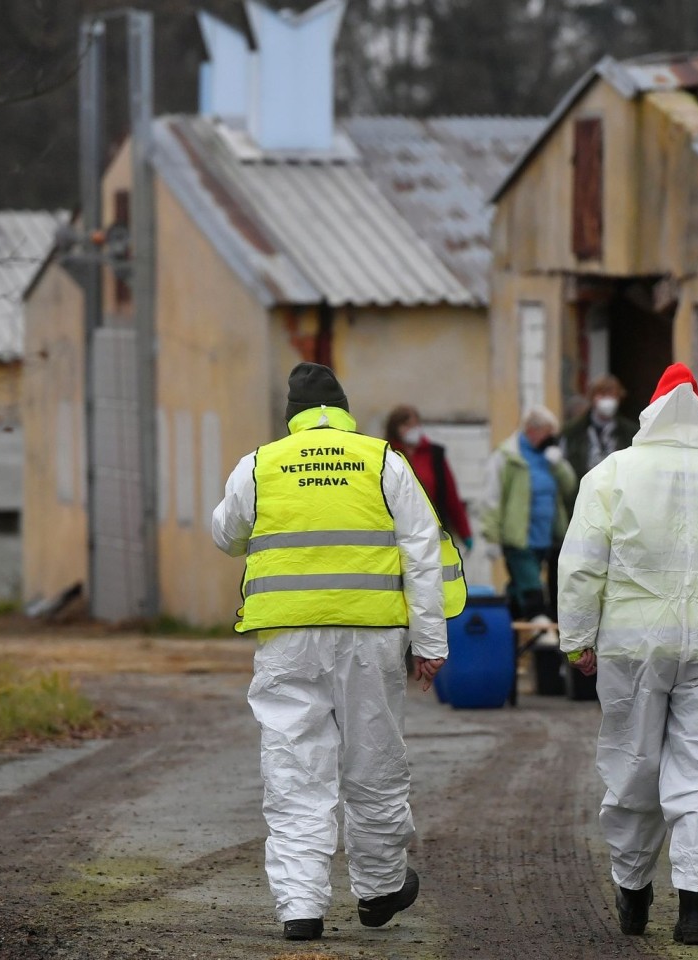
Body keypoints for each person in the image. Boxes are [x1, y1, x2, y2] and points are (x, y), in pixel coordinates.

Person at [211, 362, 466, 942]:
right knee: (374, 763)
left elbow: (226, 535)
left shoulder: (260, 464)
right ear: (344, 412)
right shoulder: (384, 461)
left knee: (295, 768)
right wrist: (429, 643)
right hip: (370, 637)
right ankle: (378, 890)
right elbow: (422, 554)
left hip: (288, 639)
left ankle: (300, 908)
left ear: (292, 418)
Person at [558, 363, 698, 946]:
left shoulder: (610, 476)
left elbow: (580, 564)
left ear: (649, 411)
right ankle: (696, 909)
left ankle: (633, 892)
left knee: (633, 764)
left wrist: (578, 637)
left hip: (632, 643)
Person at [479, 405, 577, 619]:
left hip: (548, 537)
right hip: (519, 539)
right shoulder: (507, 456)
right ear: (532, 430)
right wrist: (491, 537)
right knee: (533, 593)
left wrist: (559, 464)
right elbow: (491, 498)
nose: (552, 438)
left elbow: (570, 487)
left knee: (521, 589)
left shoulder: (549, 457)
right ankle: (543, 649)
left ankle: (510, 630)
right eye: (548, 433)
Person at [385, 405, 474, 550]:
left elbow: (450, 496)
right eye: (407, 425)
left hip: (434, 530)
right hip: (398, 532)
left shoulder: (434, 455)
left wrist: (465, 533)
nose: (413, 429)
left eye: (415, 424)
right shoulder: (387, 454)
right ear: (395, 428)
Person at [563, 374, 639, 480]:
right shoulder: (573, 431)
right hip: (583, 489)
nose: (608, 400)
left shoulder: (630, 432)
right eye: (603, 395)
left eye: (612, 395)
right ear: (592, 397)